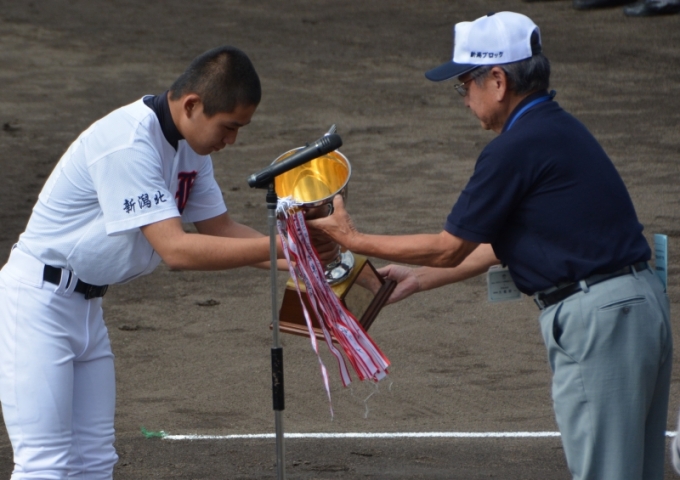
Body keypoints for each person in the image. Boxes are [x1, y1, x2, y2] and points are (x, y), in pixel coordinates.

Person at [308, 12, 671, 480]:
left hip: (600, 321)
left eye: (465, 84)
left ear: (497, 81)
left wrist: (350, 238)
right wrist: (419, 279)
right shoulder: (559, 128)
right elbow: (501, 244)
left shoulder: (514, 147)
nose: (464, 98)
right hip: (635, 308)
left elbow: (448, 247)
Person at [0, 45, 334, 479]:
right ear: (192, 105)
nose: (232, 141)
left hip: (86, 308)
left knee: (95, 461)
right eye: (229, 126)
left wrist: (302, 259)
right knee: (45, 463)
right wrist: (285, 246)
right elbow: (175, 250)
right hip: (35, 306)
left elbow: (221, 229)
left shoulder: (191, 148)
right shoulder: (127, 142)